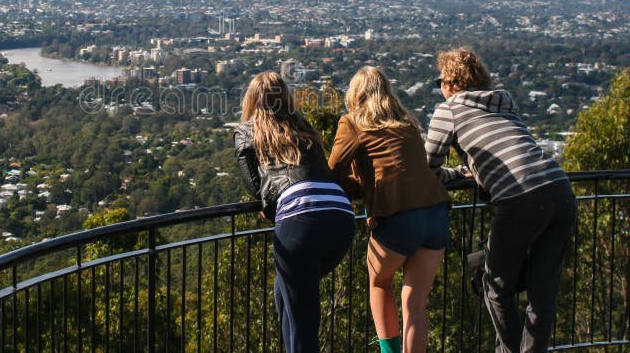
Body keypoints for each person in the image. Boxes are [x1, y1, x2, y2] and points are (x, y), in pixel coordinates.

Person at [425, 48, 576, 353]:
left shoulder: (450, 109)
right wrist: (469, 172)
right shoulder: (504, 102)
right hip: (560, 189)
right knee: (543, 293)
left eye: (439, 80)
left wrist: (455, 175)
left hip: (519, 197)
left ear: (451, 82)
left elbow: (427, 166)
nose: (439, 87)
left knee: (496, 288)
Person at [328, 66, 451, 353]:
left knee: (380, 283)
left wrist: (358, 185)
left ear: (355, 94)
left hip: (398, 215)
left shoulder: (353, 122)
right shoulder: (407, 123)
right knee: (415, 303)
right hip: (435, 212)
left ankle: (389, 351)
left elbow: (332, 170)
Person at [234, 71, 355, 353]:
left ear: (251, 100)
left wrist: (271, 206)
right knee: (285, 293)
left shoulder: (246, 132)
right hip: (341, 217)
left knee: (303, 319)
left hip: (300, 222)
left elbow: (256, 186)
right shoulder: (304, 127)